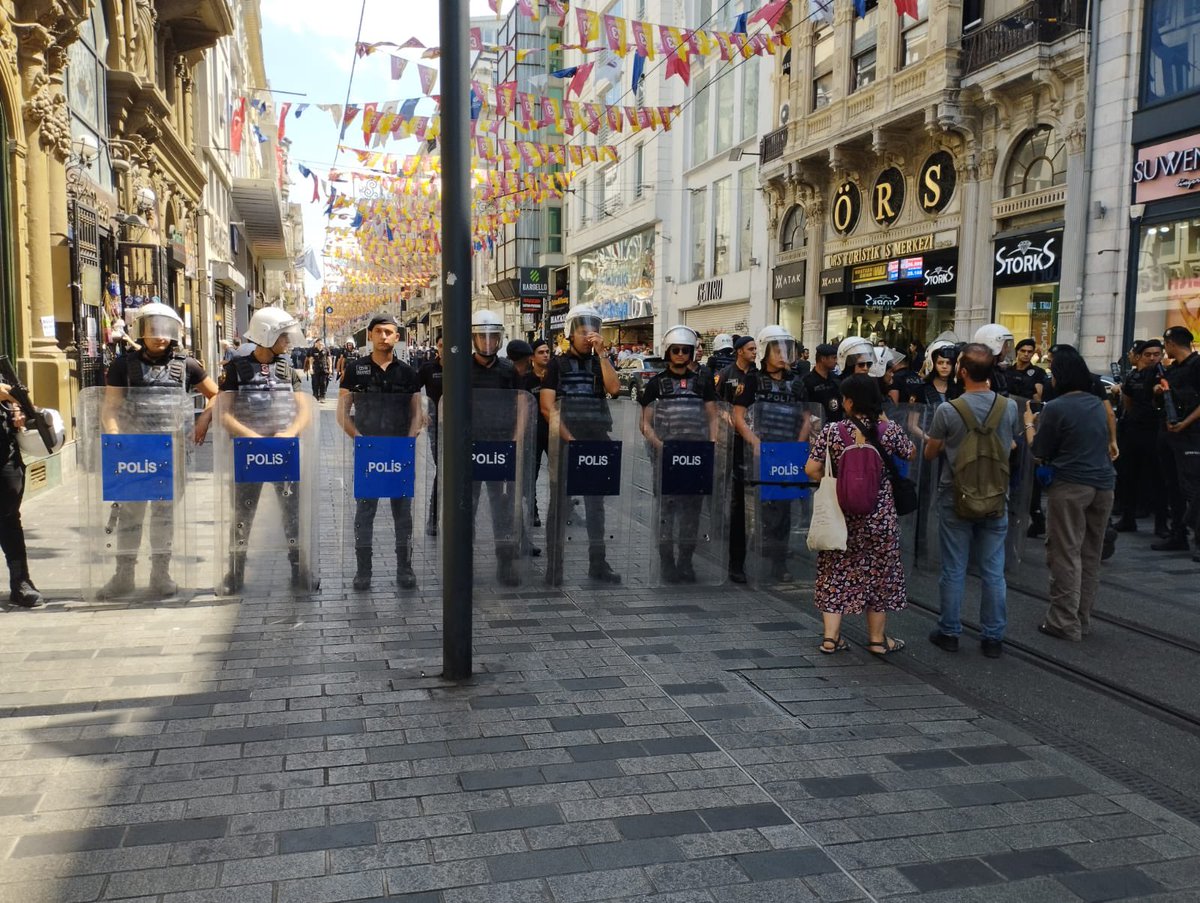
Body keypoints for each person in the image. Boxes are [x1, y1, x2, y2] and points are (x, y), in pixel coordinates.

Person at [96, 303, 220, 600]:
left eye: (165, 330)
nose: (160, 337)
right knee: (130, 516)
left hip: (172, 454)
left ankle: (160, 574)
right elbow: (110, 407)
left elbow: (216, 395)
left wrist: (204, 419)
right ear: (142, 330)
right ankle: (123, 575)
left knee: (164, 516)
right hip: (135, 453)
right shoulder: (123, 366)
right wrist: (115, 439)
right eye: (153, 330)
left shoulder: (187, 365)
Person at [804, 375, 915, 655]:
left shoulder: (832, 431)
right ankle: (877, 640)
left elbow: (811, 469)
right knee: (880, 574)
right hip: (881, 517)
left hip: (841, 516)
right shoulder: (889, 431)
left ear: (850, 402)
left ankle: (830, 639)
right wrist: (886, 422)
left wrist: (837, 481)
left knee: (834, 571)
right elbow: (911, 453)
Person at [924, 343, 1021, 658]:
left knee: (954, 568)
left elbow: (931, 452)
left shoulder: (948, 410)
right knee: (993, 570)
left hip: (956, 495)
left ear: (962, 371)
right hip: (996, 496)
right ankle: (993, 637)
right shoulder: (1009, 407)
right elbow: (1011, 444)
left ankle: (950, 631)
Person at [217, 308, 314, 592]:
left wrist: (291, 432)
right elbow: (224, 413)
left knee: (292, 514)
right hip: (249, 453)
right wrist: (252, 437)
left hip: (283, 451)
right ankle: (235, 572)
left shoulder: (287, 369)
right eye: (282, 336)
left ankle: (298, 569)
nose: (287, 341)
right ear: (266, 335)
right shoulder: (235, 370)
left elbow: (304, 410)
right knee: (242, 515)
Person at [1026, 345, 1116, 640]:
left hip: (1071, 485)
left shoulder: (1057, 407)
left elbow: (1040, 450)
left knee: (1064, 552)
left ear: (1060, 376)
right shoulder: (1096, 403)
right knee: (1090, 553)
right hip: (1103, 484)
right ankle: (1081, 618)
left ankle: (1063, 622)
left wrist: (1029, 424)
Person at [337, 314, 423, 591]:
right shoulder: (355, 370)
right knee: (365, 512)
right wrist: (359, 439)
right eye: (378, 331)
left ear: (397, 337)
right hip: (368, 451)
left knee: (403, 513)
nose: (383, 336)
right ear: (370, 335)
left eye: (389, 332)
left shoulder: (408, 373)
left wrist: (410, 440)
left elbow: (417, 413)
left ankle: (405, 568)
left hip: (399, 451)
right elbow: (342, 413)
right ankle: (363, 571)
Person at [540, 303, 622, 584]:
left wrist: (603, 354)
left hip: (597, 441)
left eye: (593, 330)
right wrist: (570, 440)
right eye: (583, 331)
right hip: (566, 444)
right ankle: (554, 567)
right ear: (570, 334)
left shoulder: (600, 363)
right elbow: (547, 407)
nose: (589, 336)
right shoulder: (557, 365)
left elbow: (614, 389)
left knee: (596, 507)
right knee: (559, 506)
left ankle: (598, 564)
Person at [639, 325, 719, 583]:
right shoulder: (656, 384)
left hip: (696, 456)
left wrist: (711, 444)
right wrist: (659, 445)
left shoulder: (703, 382)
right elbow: (644, 423)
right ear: (668, 352)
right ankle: (667, 563)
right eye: (676, 350)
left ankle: (686, 561)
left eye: (686, 350)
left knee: (692, 513)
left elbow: (713, 417)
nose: (681, 354)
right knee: (666, 512)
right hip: (667, 458)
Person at [733, 325, 812, 582]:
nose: (782, 355)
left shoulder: (796, 383)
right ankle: (743, 563)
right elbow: (738, 416)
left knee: (784, 510)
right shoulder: (752, 381)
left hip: (786, 454)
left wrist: (798, 446)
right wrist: (756, 444)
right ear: (766, 352)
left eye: (786, 350)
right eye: (777, 350)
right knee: (755, 511)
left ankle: (779, 563)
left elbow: (806, 418)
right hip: (759, 456)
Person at [470, 311, 523, 586]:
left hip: (501, 447)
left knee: (502, 508)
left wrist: (515, 439)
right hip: (470, 448)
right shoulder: (461, 368)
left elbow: (521, 404)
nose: (488, 342)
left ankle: (505, 563)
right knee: (467, 507)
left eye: (493, 337)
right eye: (482, 336)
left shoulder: (508, 370)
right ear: (474, 338)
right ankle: (463, 563)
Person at [0, 381, 48, 608]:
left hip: (4, 451)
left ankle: (20, 582)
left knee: (9, 517)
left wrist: (17, 409)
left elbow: (17, 398)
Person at [1156, 326, 1200, 561]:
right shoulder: (1173, 369)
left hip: (1191, 435)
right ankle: (1178, 534)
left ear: (1171, 343)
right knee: (1172, 485)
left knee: (1193, 489)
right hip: (1170, 434)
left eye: (1166, 344)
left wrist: (1185, 423)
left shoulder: (1197, 366)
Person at [716, 335, 757, 582]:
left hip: (751, 441)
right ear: (739, 351)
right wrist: (725, 416)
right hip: (729, 439)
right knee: (727, 487)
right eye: (750, 349)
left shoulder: (756, 376)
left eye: (756, 349)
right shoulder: (725, 374)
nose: (754, 352)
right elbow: (716, 401)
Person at [1115, 339, 1166, 533]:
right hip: (1133, 431)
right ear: (1140, 356)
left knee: (1158, 479)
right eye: (1148, 354)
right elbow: (1127, 401)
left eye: (1156, 354)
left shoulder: (1165, 375)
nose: (1152, 358)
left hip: (1156, 431)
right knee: (1129, 476)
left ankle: (1161, 525)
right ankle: (1128, 518)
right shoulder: (1133, 376)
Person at [417, 338, 443, 536]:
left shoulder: (467, 365)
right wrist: (421, 410)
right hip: (436, 424)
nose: (445, 349)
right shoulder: (428, 368)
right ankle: (433, 518)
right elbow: (413, 389)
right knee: (442, 468)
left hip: (464, 424)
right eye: (441, 345)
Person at [525, 338, 552, 527]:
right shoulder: (526, 380)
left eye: (547, 352)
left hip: (553, 432)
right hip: (533, 433)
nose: (545, 355)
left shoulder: (554, 377)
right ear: (532, 357)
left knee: (560, 474)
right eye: (541, 352)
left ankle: (566, 510)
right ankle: (532, 511)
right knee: (531, 474)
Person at [801, 343, 842, 422]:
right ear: (823, 359)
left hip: (836, 424)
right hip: (817, 425)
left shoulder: (835, 379)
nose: (836, 361)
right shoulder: (807, 381)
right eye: (833, 358)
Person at [974, 323, 1015, 397]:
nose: (1008, 350)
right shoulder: (983, 373)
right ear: (992, 344)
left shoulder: (997, 370)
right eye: (1005, 346)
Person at [1007, 339, 1046, 403]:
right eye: (1023, 351)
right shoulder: (1007, 370)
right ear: (1017, 351)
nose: (1026, 354)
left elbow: (1039, 398)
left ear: (1033, 353)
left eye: (1029, 352)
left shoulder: (1039, 372)